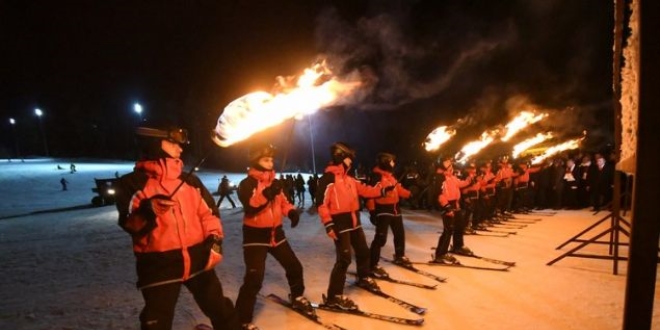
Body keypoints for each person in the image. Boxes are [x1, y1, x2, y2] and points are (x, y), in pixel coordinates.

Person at [115, 124, 239, 330]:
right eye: (173, 143)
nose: (180, 148)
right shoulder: (132, 183)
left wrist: (215, 239)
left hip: (198, 258)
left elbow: (208, 213)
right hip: (159, 265)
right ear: (154, 143)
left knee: (220, 308)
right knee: (157, 321)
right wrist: (149, 210)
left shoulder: (190, 181)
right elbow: (130, 225)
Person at [235, 144, 313, 330]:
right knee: (254, 279)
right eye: (266, 159)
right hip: (255, 236)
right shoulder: (247, 184)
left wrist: (291, 212)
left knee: (294, 266)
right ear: (256, 161)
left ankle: (297, 296)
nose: (270, 163)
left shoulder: (274, 182)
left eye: (271, 159)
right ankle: (242, 320)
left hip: (276, 234)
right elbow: (251, 207)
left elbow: (283, 203)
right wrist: (267, 194)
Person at [316, 142, 394, 310]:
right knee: (344, 259)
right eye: (349, 158)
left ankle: (363, 277)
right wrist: (328, 224)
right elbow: (321, 204)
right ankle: (334, 297)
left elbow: (366, 190)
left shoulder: (350, 179)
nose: (351, 162)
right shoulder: (328, 179)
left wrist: (382, 191)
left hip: (354, 221)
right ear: (340, 158)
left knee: (363, 251)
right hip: (339, 223)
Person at [366, 152, 412, 279]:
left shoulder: (391, 176)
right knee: (381, 238)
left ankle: (399, 255)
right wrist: (372, 211)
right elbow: (370, 194)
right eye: (392, 161)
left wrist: (409, 194)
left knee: (399, 234)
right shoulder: (376, 176)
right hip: (383, 209)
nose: (393, 164)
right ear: (385, 162)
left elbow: (398, 189)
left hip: (395, 208)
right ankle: (372, 264)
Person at [432, 156, 474, 264]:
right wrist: (446, 207)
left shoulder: (452, 177)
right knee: (448, 230)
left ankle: (458, 246)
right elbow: (439, 195)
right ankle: (440, 254)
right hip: (447, 205)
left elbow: (461, 184)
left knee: (459, 226)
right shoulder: (441, 179)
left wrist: (469, 178)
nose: (452, 167)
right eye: (449, 166)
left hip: (456, 205)